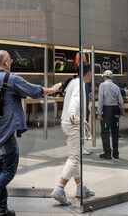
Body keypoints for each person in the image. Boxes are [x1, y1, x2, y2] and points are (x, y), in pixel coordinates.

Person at [0, 50, 61, 216]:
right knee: (8, 171)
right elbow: (35, 91)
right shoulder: (11, 79)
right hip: (5, 135)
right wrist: (54, 89)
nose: (12, 62)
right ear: (6, 62)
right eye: (11, 59)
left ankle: (2, 211)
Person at [51, 64, 95, 206]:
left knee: (74, 156)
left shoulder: (73, 82)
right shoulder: (79, 84)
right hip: (72, 124)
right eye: (92, 73)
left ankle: (80, 187)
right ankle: (59, 188)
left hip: (68, 123)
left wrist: (82, 118)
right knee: (74, 158)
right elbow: (75, 102)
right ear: (88, 73)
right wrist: (73, 115)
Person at [97, 70, 123, 159]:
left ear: (104, 77)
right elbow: (121, 101)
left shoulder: (102, 85)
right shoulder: (116, 86)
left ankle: (107, 153)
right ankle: (116, 153)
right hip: (115, 109)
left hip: (106, 109)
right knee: (115, 132)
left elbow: (100, 100)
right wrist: (120, 112)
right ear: (111, 77)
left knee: (105, 131)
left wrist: (99, 113)